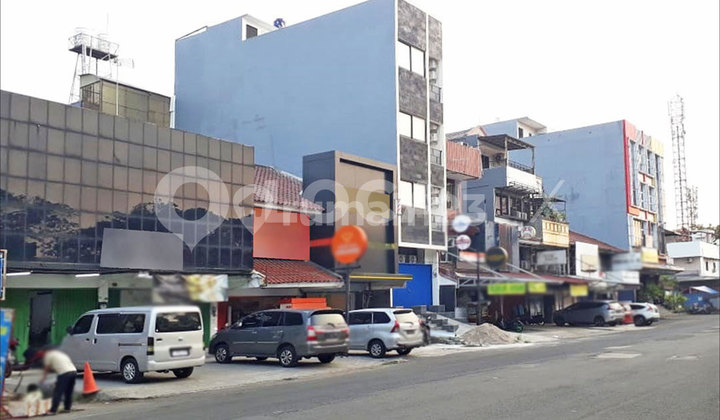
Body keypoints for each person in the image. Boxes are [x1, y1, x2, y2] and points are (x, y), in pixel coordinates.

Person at [40, 347, 77, 414]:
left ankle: (53, 410)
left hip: (64, 373)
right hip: (73, 371)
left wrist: (43, 378)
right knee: (68, 392)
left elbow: (47, 367)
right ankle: (67, 408)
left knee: (58, 392)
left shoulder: (48, 355)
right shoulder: (61, 354)